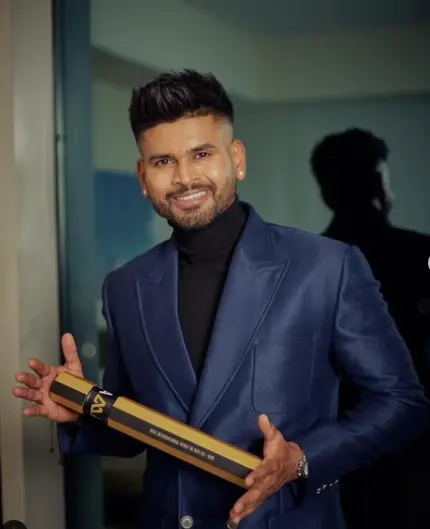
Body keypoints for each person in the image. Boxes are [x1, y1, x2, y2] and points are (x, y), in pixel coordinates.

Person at [13, 71, 428, 529]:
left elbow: (402, 402)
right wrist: (83, 412)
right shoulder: (125, 286)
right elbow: (139, 428)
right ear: (142, 177)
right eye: (163, 161)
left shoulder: (327, 267)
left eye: (202, 154)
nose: (184, 177)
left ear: (237, 159)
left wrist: (302, 460)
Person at [311, 128, 430, 528]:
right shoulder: (421, 254)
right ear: (381, 183)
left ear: (326, 193)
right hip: (413, 443)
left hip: (330, 440)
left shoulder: (304, 266)